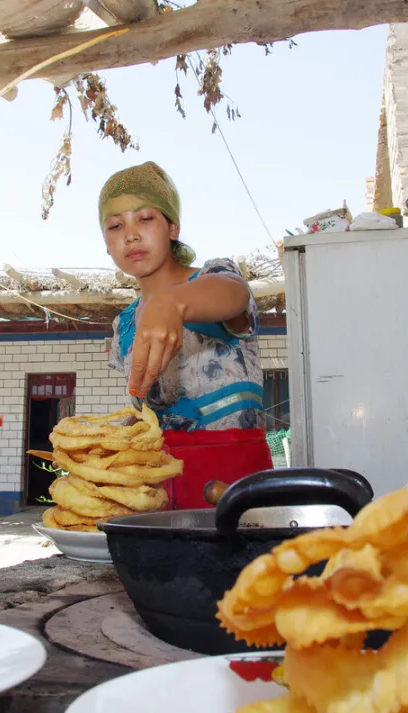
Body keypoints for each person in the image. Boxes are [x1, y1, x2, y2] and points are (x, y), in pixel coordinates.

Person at [101, 161, 273, 510]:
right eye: (115, 225)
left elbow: (234, 295)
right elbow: (147, 413)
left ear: (173, 227)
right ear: (106, 244)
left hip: (234, 483)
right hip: (157, 488)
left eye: (145, 218)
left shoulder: (214, 279)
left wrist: (171, 303)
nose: (130, 234)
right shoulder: (125, 324)